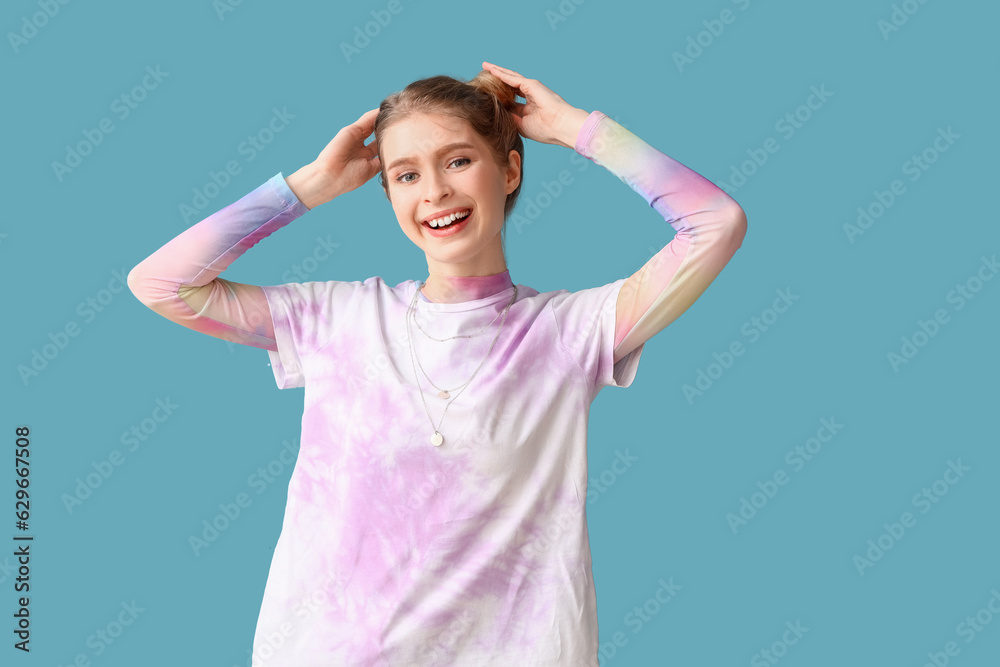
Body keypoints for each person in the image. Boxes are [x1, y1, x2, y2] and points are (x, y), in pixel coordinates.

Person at [127, 60, 747, 666]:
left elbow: (714, 224)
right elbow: (161, 285)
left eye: (457, 160)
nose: (435, 192)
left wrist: (575, 130)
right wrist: (307, 188)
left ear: (508, 170)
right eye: (405, 175)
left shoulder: (570, 332)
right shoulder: (336, 319)